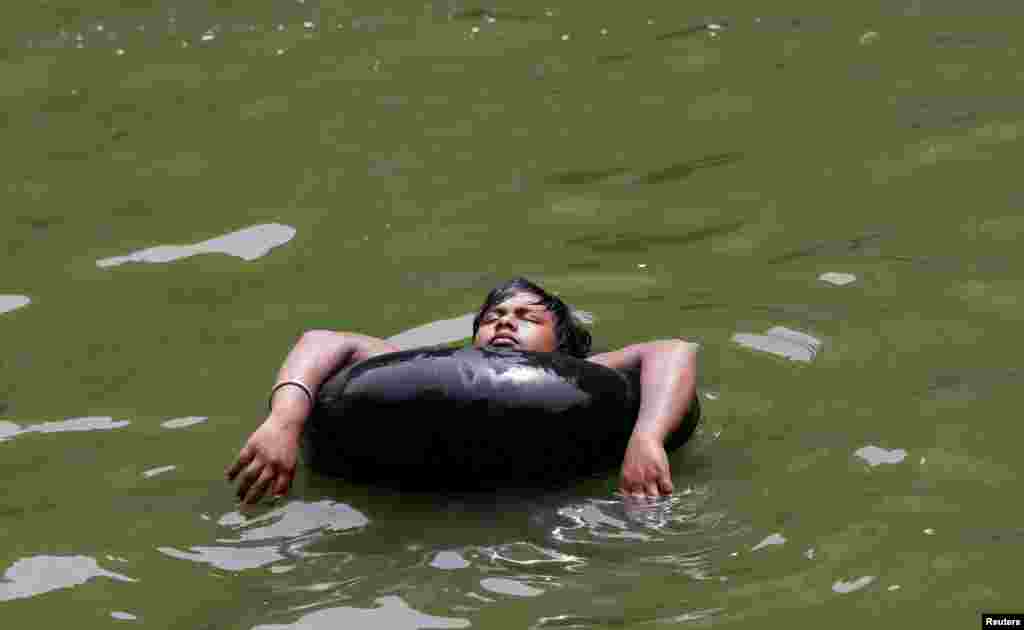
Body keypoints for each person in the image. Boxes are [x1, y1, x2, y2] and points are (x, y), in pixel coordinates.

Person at [227, 277, 699, 504]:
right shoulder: (422, 372)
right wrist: (283, 421)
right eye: (493, 317)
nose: (504, 323)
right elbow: (325, 341)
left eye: (526, 318)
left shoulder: (587, 373)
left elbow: (673, 351)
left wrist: (647, 437)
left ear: (562, 345)